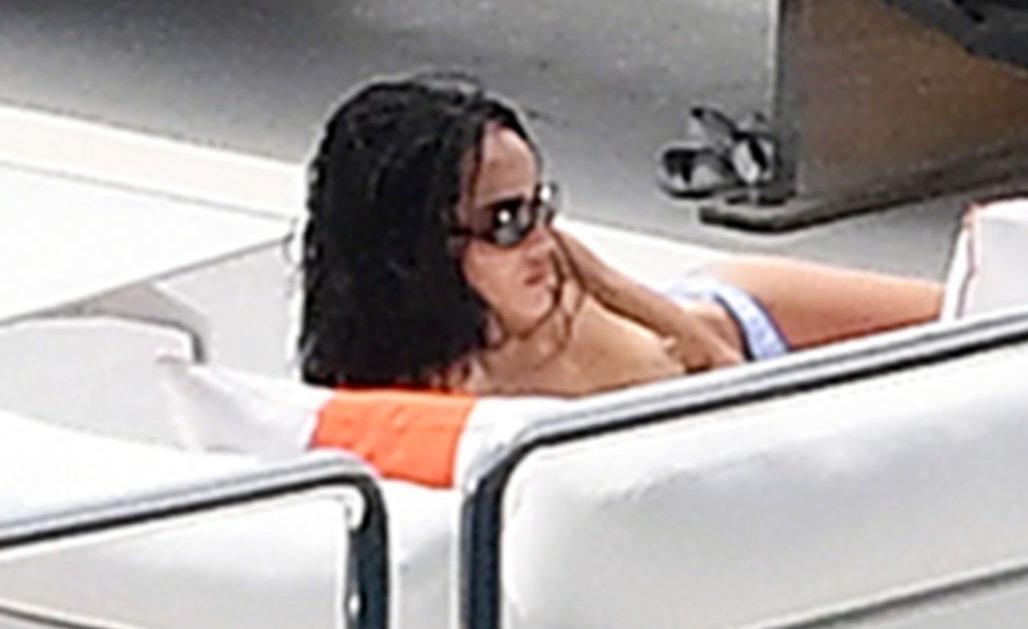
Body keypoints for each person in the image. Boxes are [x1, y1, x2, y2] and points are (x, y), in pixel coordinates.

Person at [298, 74, 941, 396]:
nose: (541, 239)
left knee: (987, 315)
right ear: (416, 248)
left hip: (746, 322)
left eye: (541, 206)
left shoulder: (552, 267)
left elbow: (721, 365)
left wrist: (618, 291)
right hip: (734, 388)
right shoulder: (425, 400)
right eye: (507, 221)